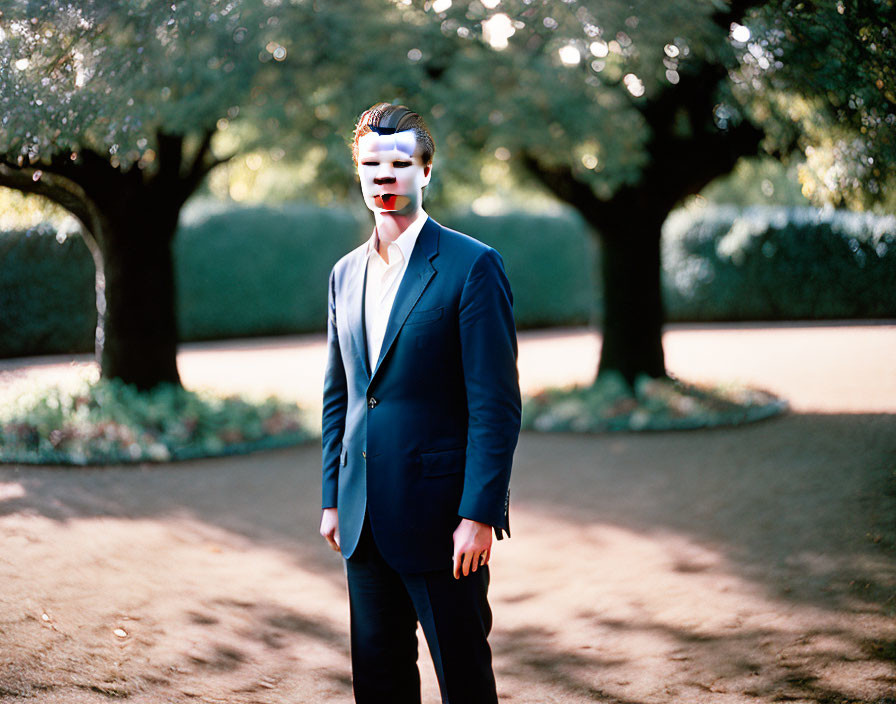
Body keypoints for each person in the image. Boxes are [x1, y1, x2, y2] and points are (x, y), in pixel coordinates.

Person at [319, 102, 521, 704]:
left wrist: (480, 514)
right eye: (371, 164)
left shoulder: (472, 265)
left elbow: (496, 405)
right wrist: (332, 497)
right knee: (378, 683)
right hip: (361, 523)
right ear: (358, 172)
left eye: (400, 162)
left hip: (445, 523)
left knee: (463, 679)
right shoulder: (343, 274)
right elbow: (341, 396)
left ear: (425, 171)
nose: (385, 176)